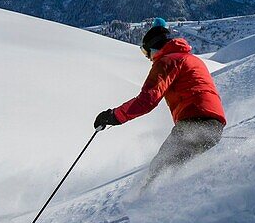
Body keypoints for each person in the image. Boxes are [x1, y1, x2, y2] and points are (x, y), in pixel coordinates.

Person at [94, 19, 226, 185]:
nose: (148, 58)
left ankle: (146, 207)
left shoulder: (166, 61)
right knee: (176, 172)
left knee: (157, 172)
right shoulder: (192, 60)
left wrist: (114, 116)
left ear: (154, 48)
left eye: (146, 52)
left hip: (193, 123)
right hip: (214, 126)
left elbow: (147, 100)